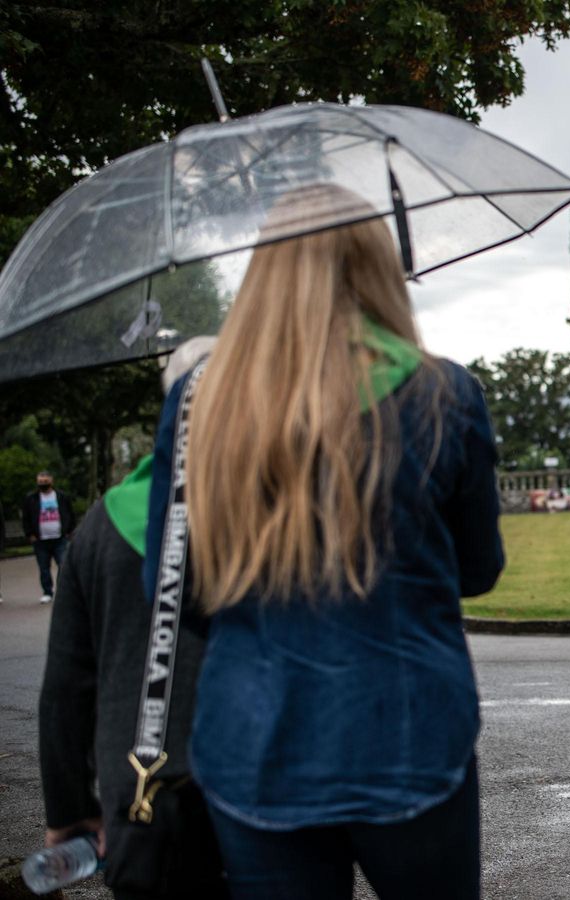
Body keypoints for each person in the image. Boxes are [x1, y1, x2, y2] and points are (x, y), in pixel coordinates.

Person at [143, 187, 504, 899]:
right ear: (375, 268)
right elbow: (477, 571)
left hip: (255, 738)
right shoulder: (443, 392)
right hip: (408, 729)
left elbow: (176, 587)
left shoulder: (197, 400)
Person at [38, 340, 227, 899]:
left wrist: (70, 810)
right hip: (255, 793)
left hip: (141, 797)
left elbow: (66, 689)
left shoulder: (99, 526)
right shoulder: (274, 511)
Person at [23, 470, 76, 604]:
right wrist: (30, 534)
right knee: (44, 568)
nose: (43, 484)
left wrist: (70, 530)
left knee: (63, 564)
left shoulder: (62, 497)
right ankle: (47, 592)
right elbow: (26, 518)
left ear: (51, 481)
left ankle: (62, 591)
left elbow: (70, 514)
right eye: (40, 482)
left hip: (59, 538)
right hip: (41, 540)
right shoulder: (31, 498)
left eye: (45, 482)